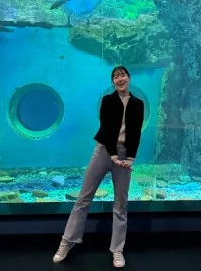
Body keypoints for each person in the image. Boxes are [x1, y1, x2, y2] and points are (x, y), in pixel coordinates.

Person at [53, 65, 145, 268]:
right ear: (113, 82)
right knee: (83, 198)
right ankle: (66, 242)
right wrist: (112, 155)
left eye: (123, 75)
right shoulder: (107, 101)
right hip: (104, 151)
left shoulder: (138, 104)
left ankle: (117, 250)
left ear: (129, 78)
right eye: (116, 76)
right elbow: (106, 128)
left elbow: (136, 132)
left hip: (124, 156)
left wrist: (130, 158)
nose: (120, 79)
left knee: (121, 204)